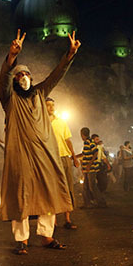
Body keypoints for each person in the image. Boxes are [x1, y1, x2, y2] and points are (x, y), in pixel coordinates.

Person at [0, 29, 79, 255]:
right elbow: (4, 78)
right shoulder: (9, 99)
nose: (22, 78)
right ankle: (21, 240)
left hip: (45, 153)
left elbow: (56, 75)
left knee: (49, 193)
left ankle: (46, 236)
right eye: (18, 76)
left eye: (25, 75)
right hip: (21, 155)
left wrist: (70, 54)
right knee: (21, 195)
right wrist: (12, 57)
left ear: (31, 79)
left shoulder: (40, 93)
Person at [46, 97, 79, 230]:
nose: (51, 107)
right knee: (52, 189)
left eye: (53, 105)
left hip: (64, 158)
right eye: (48, 105)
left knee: (68, 188)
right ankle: (52, 221)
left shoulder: (62, 122)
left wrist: (74, 156)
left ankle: (67, 218)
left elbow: (68, 140)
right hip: (50, 159)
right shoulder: (41, 122)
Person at [80, 128, 107, 208]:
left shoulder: (89, 142)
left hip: (91, 169)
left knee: (92, 186)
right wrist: (73, 157)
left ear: (82, 135)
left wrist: (89, 164)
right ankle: (87, 203)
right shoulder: (86, 143)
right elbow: (84, 154)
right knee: (86, 187)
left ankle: (101, 202)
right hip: (87, 169)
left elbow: (95, 152)